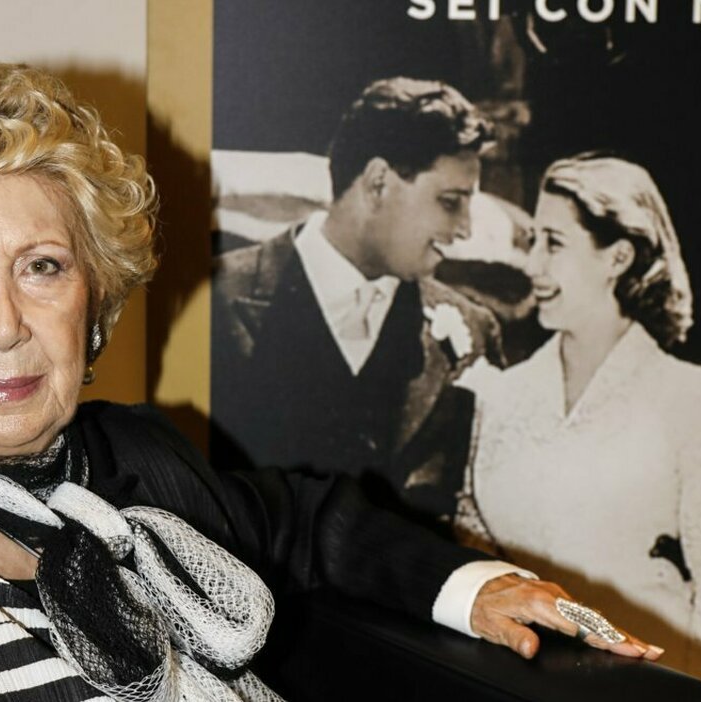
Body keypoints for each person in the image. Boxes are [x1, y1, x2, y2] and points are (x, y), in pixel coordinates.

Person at [0, 62, 659, 701]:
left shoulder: (137, 457)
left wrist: (474, 588)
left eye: (42, 267)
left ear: (92, 304)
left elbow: (308, 519)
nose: (5, 323)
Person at [468, 154, 701, 697]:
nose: (533, 264)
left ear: (618, 257)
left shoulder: (691, 396)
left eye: (554, 243)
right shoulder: (502, 395)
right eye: (532, 241)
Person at [212, 77, 505, 526]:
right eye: (450, 202)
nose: (465, 228)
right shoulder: (212, 301)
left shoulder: (475, 333)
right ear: (378, 182)